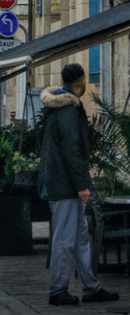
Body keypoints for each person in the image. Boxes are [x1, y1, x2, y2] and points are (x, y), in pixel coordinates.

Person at [38, 63, 119, 306]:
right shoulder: (69, 110)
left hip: (64, 183)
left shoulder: (63, 105)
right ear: (83, 82)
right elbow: (72, 151)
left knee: (81, 236)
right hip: (66, 186)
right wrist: (82, 184)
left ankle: (91, 287)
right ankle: (58, 291)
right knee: (65, 238)